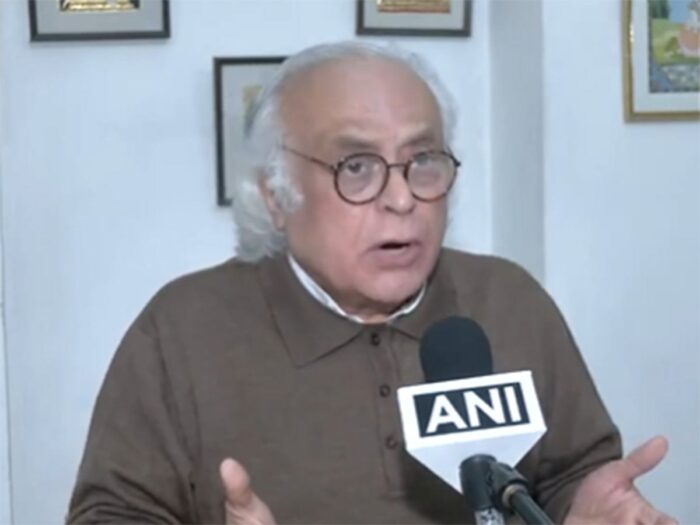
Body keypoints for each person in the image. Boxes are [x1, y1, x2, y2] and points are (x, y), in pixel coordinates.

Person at [67, 41, 675, 524]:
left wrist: (582, 510)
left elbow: (569, 475)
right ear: (275, 195)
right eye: (356, 167)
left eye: (422, 161)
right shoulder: (182, 330)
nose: (402, 198)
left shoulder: (509, 300)